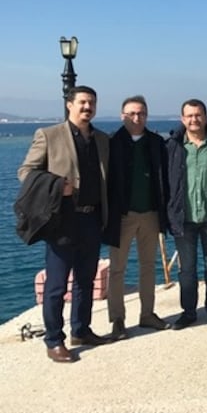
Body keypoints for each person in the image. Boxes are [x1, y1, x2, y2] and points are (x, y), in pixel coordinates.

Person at [18, 85, 111, 362]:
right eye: (82, 102)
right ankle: (54, 340)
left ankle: (81, 330)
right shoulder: (48, 135)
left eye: (91, 103)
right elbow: (26, 172)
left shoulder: (102, 139)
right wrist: (57, 186)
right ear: (69, 105)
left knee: (85, 279)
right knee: (57, 285)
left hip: (93, 218)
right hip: (62, 222)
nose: (87, 107)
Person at [104, 95, 171, 340]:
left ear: (147, 115)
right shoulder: (111, 142)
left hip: (151, 213)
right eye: (131, 113)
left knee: (148, 267)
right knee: (117, 270)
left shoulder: (156, 142)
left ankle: (147, 314)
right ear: (122, 115)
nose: (136, 117)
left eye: (141, 113)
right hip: (122, 215)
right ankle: (118, 319)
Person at [166, 99, 207, 329]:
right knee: (186, 269)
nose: (194, 119)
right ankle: (189, 311)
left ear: (205, 117)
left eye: (198, 115)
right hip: (183, 218)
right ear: (182, 119)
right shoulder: (173, 147)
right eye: (189, 116)